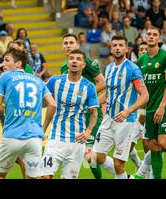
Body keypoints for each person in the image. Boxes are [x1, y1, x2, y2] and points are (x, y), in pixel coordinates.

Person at [91, 35, 149, 179]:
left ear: (126, 48)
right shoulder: (109, 68)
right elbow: (109, 94)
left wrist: (128, 111)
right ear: (111, 48)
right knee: (94, 157)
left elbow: (144, 95)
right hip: (108, 119)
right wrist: (92, 103)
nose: (117, 48)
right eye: (115, 45)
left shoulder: (133, 69)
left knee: (118, 164)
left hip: (126, 121)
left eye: (120, 45)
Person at [0, 49, 57, 179]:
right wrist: (43, 127)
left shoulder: (5, 77)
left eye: (6, 60)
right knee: (31, 177)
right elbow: (53, 104)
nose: (2, 64)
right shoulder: (37, 80)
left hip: (11, 136)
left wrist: (9, 110)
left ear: (18, 64)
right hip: (34, 138)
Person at [41, 50, 99, 179]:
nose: (74, 61)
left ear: (83, 65)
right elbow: (40, 97)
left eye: (78, 59)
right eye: (71, 58)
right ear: (67, 62)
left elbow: (94, 113)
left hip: (77, 141)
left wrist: (88, 131)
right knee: (45, 176)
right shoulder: (54, 81)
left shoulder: (89, 87)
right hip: (55, 139)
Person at [61, 33, 107, 178]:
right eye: (66, 43)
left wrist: (86, 97)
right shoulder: (64, 66)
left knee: (88, 154)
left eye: (71, 42)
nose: (68, 45)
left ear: (77, 45)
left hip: (91, 113)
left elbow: (102, 82)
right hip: (76, 116)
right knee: (81, 155)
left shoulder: (87, 61)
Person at [134, 27, 166, 179]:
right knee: (153, 146)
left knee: (163, 142)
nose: (151, 36)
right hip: (149, 109)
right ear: (145, 38)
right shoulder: (141, 60)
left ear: (159, 39)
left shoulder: (164, 57)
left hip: (163, 107)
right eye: (149, 34)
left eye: (155, 34)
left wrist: (162, 106)